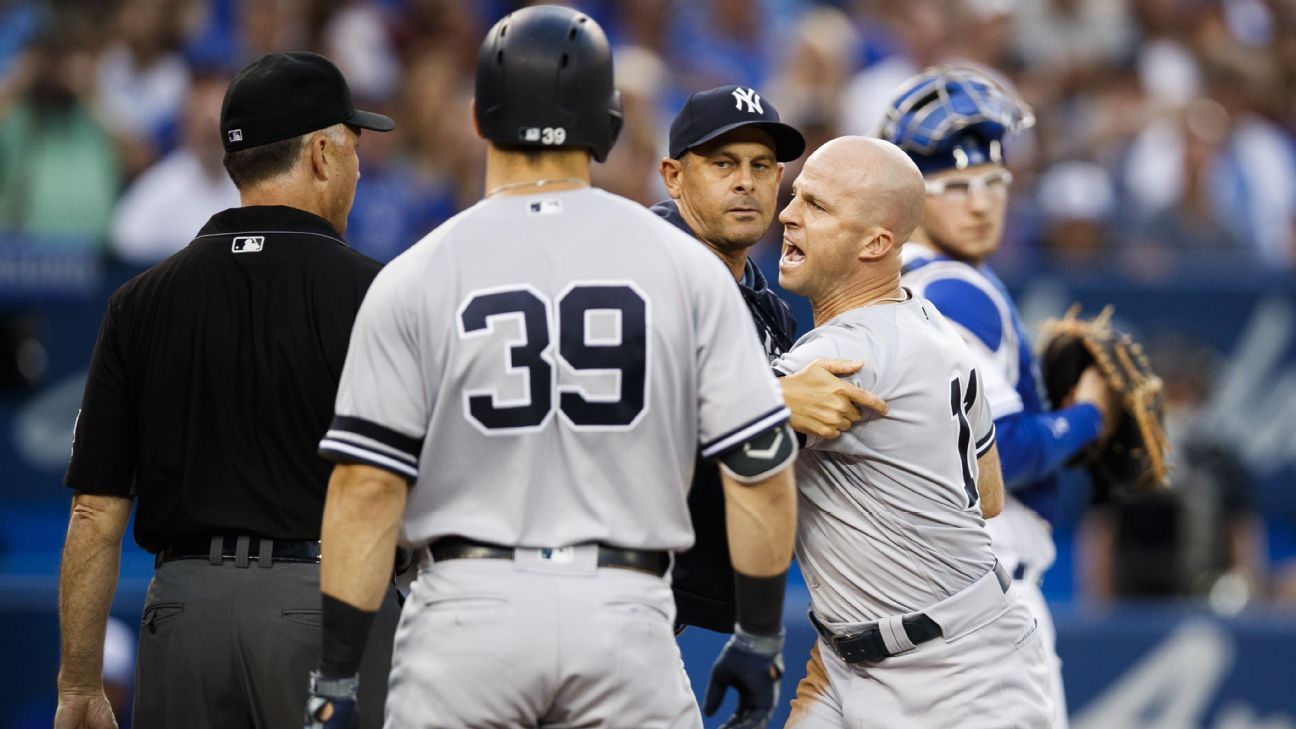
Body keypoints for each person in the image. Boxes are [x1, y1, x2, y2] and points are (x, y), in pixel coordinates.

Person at [304, 7, 797, 729]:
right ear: (609, 124)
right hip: (624, 614)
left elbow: (365, 488)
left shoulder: (419, 272)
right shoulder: (685, 269)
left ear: (479, 118)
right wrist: (758, 636)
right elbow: (759, 465)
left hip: (466, 612)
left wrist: (339, 677)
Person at [56, 52, 400, 729]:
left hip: (183, 616)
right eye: (355, 147)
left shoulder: (139, 301)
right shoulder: (377, 294)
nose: (358, 168)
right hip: (323, 608)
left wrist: (79, 682)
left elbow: (96, 512)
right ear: (322, 155)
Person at [773, 136, 1052, 728]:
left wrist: (757, 403)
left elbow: (683, 451)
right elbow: (990, 496)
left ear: (876, 242)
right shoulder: (934, 327)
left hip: (956, 683)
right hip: (864, 655)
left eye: (817, 207)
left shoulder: (843, 354)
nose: (787, 215)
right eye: (796, 195)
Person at [880, 65, 1122, 728]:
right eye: (955, 188)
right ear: (909, 197)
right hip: (983, 615)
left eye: (993, 184)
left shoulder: (890, 287)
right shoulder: (957, 291)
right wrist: (1089, 416)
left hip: (921, 608)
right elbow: (1000, 453)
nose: (982, 203)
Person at [653, 83, 886, 634]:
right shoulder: (640, 273)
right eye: (722, 163)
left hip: (670, 602)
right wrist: (770, 403)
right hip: (606, 586)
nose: (745, 181)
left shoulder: (768, 307)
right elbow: (612, 424)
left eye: (762, 166)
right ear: (673, 176)